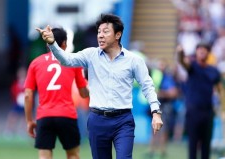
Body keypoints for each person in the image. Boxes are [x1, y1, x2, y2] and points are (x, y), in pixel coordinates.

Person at [36, 14, 163, 159]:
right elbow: (67, 60)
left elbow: (147, 85)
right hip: (97, 120)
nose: (100, 36)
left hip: (123, 121)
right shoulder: (91, 55)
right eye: (99, 32)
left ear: (118, 34)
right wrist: (53, 44)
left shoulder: (134, 60)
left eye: (105, 32)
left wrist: (156, 112)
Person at [24, 27, 89, 159]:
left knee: (44, 156)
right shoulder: (73, 62)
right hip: (67, 115)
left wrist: (30, 120)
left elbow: (27, 95)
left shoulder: (35, 63)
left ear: (47, 42)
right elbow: (83, 93)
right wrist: (91, 89)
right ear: (64, 44)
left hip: (44, 115)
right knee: (73, 155)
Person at [176, 43, 225, 159]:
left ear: (208, 53)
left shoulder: (213, 70)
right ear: (196, 52)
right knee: (193, 144)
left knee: (206, 145)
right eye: (200, 49)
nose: (202, 51)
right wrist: (180, 52)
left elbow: (220, 90)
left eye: (205, 50)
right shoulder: (192, 66)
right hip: (193, 111)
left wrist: (223, 109)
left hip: (208, 111)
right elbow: (182, 62)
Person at [3, 67, 27, 139]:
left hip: (25, 103)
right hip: (17, 103)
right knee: (12, 116)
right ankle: (9, 130)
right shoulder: (16, 83)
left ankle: (22, 131)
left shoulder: (27, 82)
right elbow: (13, 91)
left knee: (24, 118)